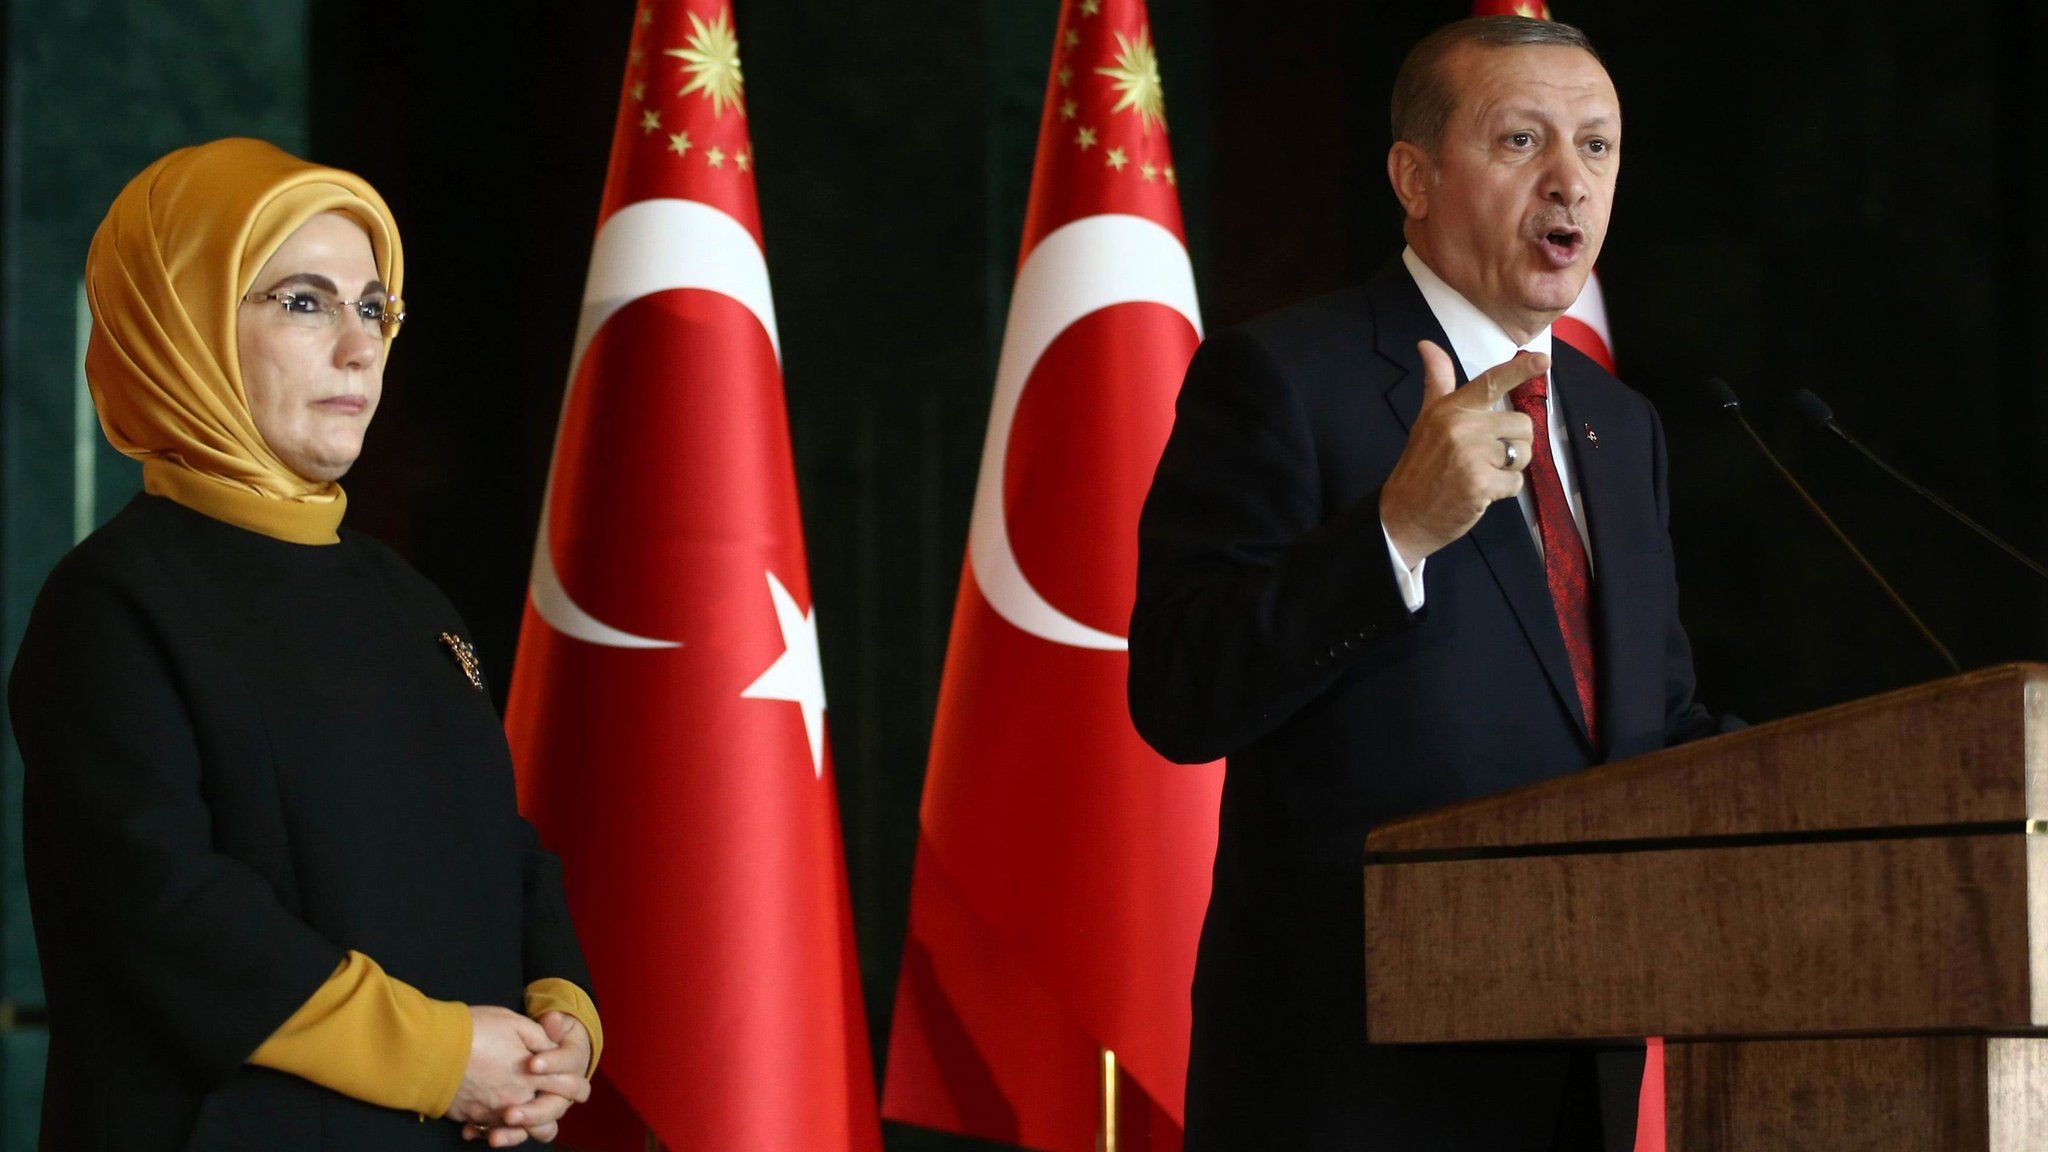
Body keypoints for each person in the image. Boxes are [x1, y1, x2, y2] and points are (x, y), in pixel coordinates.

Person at [1128, 16, 1734, 1151]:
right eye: (1520, 140)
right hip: (1351, 1082)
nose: (1570, 181)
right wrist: (1394, 533)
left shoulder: (1618, 425)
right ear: (1413, 175)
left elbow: (1653, 726)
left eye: (1596, 147)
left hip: (1574, 1068)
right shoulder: (1283, 378)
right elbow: (1178, 692)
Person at [9, 138, 603, 1149]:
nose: (360, 346)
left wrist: (562, 1025)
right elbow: (167, 915)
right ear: (181, 325)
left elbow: (496, 848)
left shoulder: (410, 601)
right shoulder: (113, 603)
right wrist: (440, 1057)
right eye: (302, 301)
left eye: (373, 307)